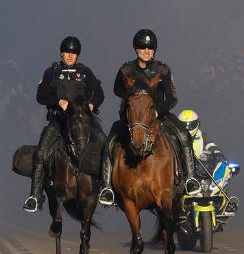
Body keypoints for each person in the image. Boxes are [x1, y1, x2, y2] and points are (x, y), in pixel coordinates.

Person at [101, 29, 199, 206]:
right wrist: (134, 104)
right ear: (135, 49)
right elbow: (117, 90)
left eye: (150, 48)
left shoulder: (163, 69)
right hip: (132, 118)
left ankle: (191, 178)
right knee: (110, 142)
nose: (146, 51)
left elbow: (171, 97)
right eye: (142, 47)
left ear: (154, 50)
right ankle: (107, 187)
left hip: (159, 115)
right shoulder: (126, 69)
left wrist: (156, 112)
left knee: (184, 135)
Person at [23, 36, 105, 212]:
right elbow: (41, 96)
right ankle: (35, 196)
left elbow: (99, 93)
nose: (70, 56)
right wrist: (58, 101)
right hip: (59, 121)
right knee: (42, 152)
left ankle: (107, 189)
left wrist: (92, 104)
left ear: (78, 55)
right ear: (61, 53)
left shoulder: (85, 72)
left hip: (83, 122)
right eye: (67, 52)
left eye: (74, 53)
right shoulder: (51, 72)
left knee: (106, 146)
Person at [178, 109, 227, 176]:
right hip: (182, 170)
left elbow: (210, 144)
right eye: (184, 125)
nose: (188, 128)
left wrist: (215, 151)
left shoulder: (202, 136)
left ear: (197, 124)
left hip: (199, 170)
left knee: (222, 165)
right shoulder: (175, 137)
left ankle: (216, 183)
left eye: (191, 125)